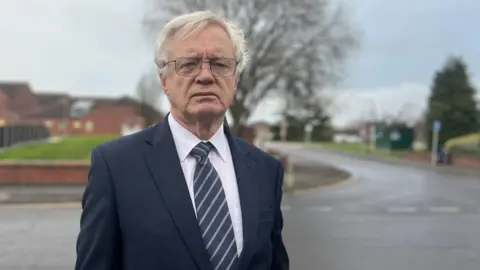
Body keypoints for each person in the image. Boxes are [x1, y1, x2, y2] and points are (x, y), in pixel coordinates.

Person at [75, 10, 289, 270]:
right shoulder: (115, 167)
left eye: (220, 64)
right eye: (189, 64)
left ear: (235, 80)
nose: (206, 76)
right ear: (164, 80)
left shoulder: (266, 171)